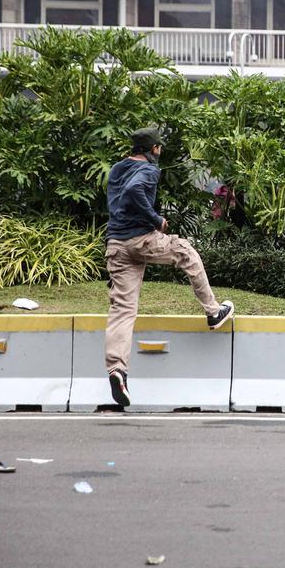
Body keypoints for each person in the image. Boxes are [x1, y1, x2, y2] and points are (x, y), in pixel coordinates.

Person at [104, 127, 234, 407]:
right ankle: (214, 312)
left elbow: (123, 191)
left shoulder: (117, 168)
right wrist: (155, 220)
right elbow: (134, 190)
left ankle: (117, 369)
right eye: (159, 147)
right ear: (153, 149)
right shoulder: (149, 171)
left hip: (116, 244)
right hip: (142, 239)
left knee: (123, 309)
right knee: (186, 252)